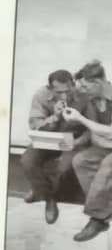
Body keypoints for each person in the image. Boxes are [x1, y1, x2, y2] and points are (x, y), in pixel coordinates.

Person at [61, 60, 112, 241]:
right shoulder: (92, 101)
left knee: (109, 163)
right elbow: (96, 137)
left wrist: (80, 118)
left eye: (84, 86)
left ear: (97, 83)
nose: (81, 90)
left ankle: (98, 218)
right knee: (81, 160)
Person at [21, 69, 90, 224]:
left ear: (73, 85)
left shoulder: (84, 96)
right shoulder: (41, 95)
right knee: (28, 160)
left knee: (64, 168)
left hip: (73, 141)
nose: (64, 96)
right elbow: (35, 126)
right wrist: (55, 117)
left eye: (68, 91)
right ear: (50, 88)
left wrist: (78, 142)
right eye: (59, 92)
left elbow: (91, 128)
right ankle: (48, 198)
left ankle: (39, 191)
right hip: (48, 139)